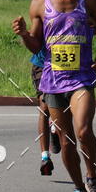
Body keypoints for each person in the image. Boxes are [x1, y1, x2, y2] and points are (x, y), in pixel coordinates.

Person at [12, 0, 96, 192]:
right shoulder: (38, 5)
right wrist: (24, 35)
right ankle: (78, 189)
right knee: (66, 141)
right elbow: (36, 45)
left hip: (81, 79)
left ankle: (92, 179)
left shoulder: (87, 2)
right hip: (53, 81)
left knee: (83, 131)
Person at [30, 44, 61, 175]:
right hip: (42, 65)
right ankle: (45, 157)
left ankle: (54, 127)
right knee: (44, 107)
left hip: (67, 67)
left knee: (63, 108)